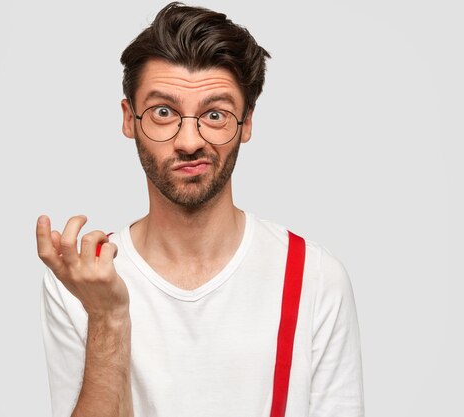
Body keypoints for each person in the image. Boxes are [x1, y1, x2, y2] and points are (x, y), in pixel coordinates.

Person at [36, 2, 364, 417]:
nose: (189, 140)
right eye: (163, 112)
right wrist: (107, 317)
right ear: (129, 119)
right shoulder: (85, 281)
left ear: (246, 123)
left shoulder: (315, 278)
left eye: (214, 114)